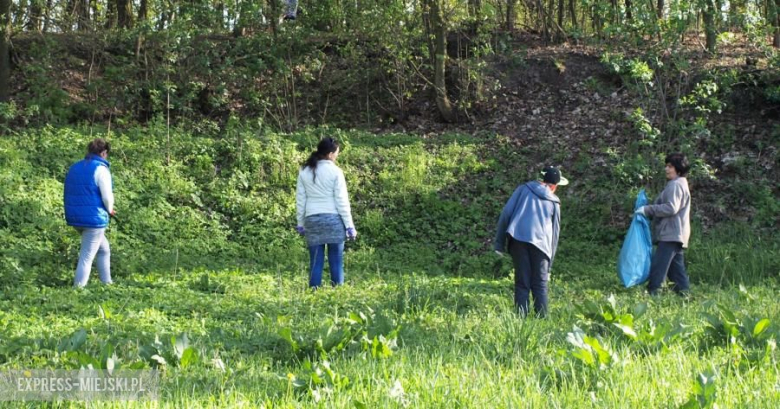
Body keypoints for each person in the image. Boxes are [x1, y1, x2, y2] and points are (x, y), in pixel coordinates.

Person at [494, 167, 568, 317]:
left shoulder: (523, 189)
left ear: (541, 179)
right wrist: (549, 265)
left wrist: (499, 244)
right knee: (540, 284)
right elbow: (555, 234)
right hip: (542, 247)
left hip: (518, 240)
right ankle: (542, 319)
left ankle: (521, 318)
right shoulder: (554, 202)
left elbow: (506, 213)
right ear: (554, 186)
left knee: (522, 282)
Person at [296, 138, 357, 288]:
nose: (337, 156)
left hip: (312, 220)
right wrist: (349, 225)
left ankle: (313, 293)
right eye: (337, 153)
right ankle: (338, 292)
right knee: (336, 259)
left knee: (316, 261)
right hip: (333, 220)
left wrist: (300, 223)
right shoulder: (336, 172)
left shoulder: (304, 171)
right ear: (330, 154)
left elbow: (300, 200)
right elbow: (342, 201)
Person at [635, 153, 691, 296]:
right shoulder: (680, 183)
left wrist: (647, 210)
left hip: (670, 234)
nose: (666, 169)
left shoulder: (676, 185)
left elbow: (671, 208)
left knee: (658, 267)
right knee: (676, 271)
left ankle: (653, 295)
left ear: (679, 168)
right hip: (676, 233)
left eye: (670, 166)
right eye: (666, 166)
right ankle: (686, 297)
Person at [64, 138, 115, 288]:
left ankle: (107, 283)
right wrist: (110, 209)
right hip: (94, 220)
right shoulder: (101, 170)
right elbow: (107, 196)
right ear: (104, 153)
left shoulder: (75, 167)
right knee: (87, 256)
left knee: (103, 249)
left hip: (75, 218)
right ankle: (78, 289)